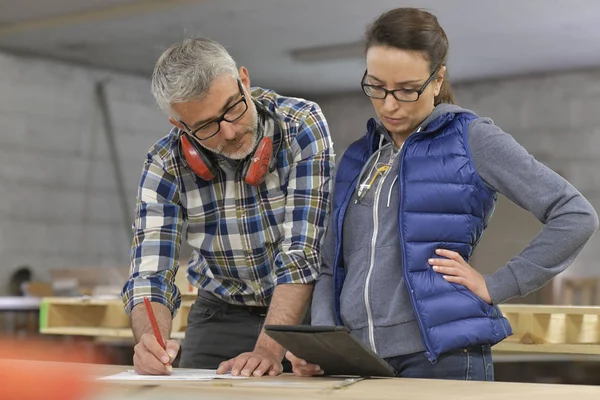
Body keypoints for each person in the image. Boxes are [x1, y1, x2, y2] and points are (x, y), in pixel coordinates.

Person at [287, 7, 599, 380]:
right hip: (359, 362)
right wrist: (325, 341)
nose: (389, 105)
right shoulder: (358, 158)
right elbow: (330, 265)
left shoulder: (472, 138)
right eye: (377, 87)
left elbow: (576, 215)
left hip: (442, 358)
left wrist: (497, 284)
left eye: (406, 90)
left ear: (437, 80)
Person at [121, 37, 334, 377]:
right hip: (219, 310)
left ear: (244, 81)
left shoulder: (300, 125)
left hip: (299, 311)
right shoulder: (165, 163)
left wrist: (268, 349)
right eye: (206, 127)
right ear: (180, 126)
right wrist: (150, 341)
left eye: (234, 107)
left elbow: (302, 251)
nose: (231, 131)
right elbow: (150, 273)